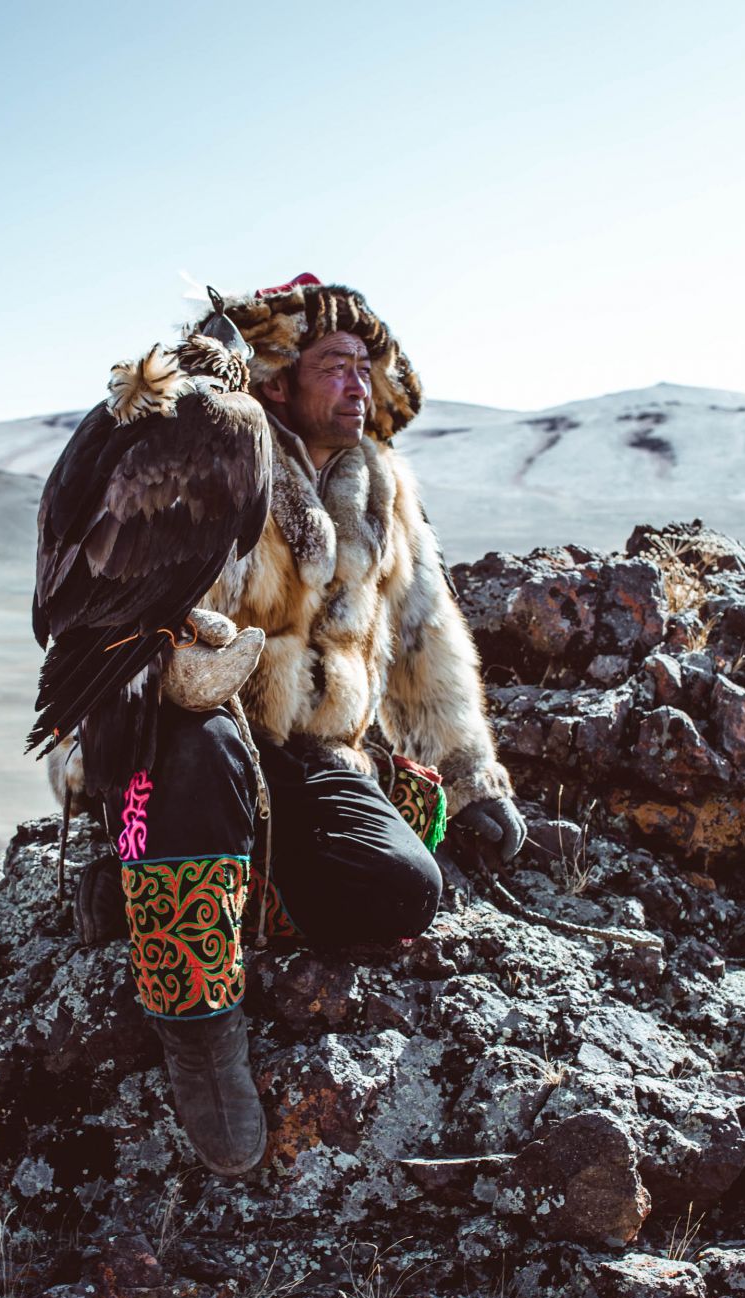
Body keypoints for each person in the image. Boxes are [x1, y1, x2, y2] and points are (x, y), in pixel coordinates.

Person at [85, 276, 525, 1177]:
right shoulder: (214, 456)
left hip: (316, 750)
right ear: (279, 380)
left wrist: (472, 777)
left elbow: (426, 642)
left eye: (367, 367)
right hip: (195, 737)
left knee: (405, 891)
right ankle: (198, 1022)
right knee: (199, 755)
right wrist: (184, 674)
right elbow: (126, 637)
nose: (359, 384)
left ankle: (187, 897)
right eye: (336, 366)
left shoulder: (386, 492)